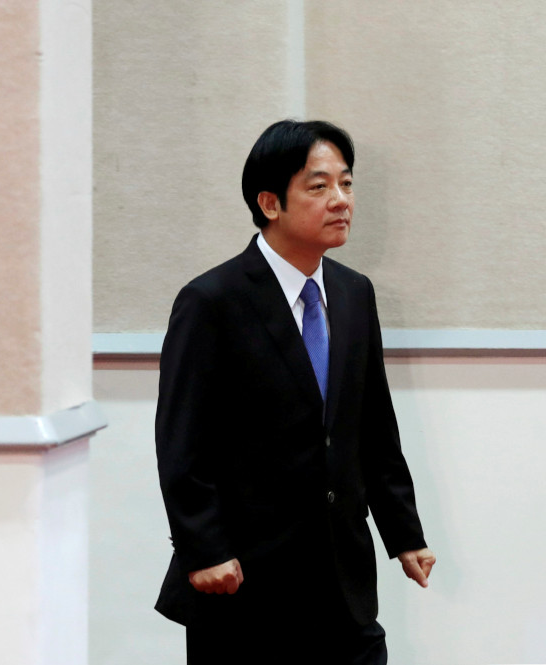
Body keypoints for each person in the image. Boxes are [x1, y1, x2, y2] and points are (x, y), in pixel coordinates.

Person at [154, 120, 435, 664]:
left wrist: (404, 533)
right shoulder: (212, 300)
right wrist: (205, 549)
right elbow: (182, 441)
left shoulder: (354, 293)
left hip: (342, 577)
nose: (341, 200)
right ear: (270, 202)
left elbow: (373, 423)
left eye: (347, 185)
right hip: (244, 584)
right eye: (319, 186)